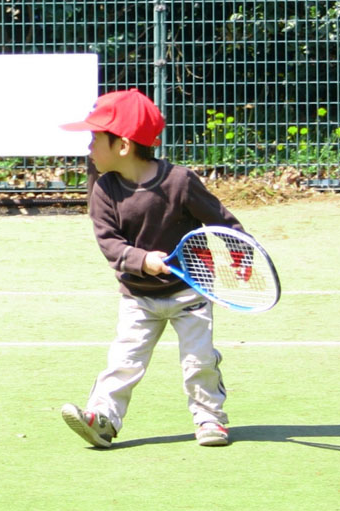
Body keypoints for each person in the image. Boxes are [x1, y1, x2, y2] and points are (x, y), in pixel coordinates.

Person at [59, 88, 247, 448]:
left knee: (199, 362)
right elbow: (109, 243)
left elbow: (222, 223)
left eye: (96, 138)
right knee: (123, 362)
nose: (89, 147)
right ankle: (103, 419)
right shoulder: (103, 188)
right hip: (137, 298)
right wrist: (142, 260)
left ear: (124, 146)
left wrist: (241, 254)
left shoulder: (180, 182)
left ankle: (210, 419)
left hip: (190, 292)